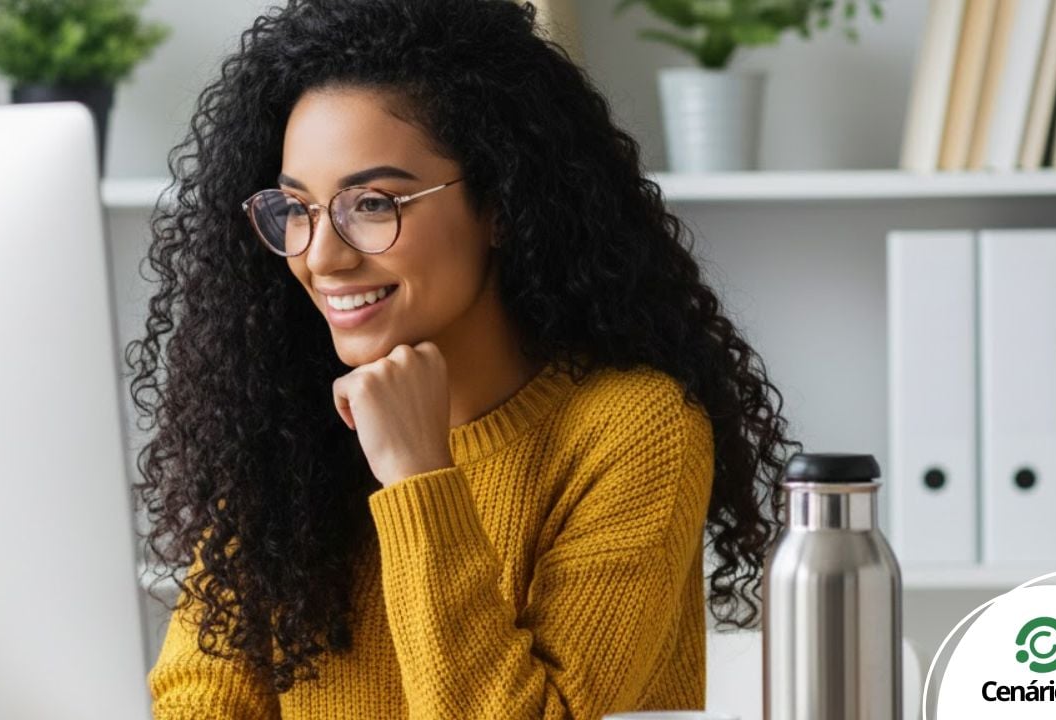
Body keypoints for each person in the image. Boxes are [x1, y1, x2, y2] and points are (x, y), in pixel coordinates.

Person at [129, 0, 800, 717]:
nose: (322, 257)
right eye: (296, 209)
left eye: (372, 203)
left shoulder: (636, 430)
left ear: (501, 204)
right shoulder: (286, 427)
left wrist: (418, 477)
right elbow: (201, 699)